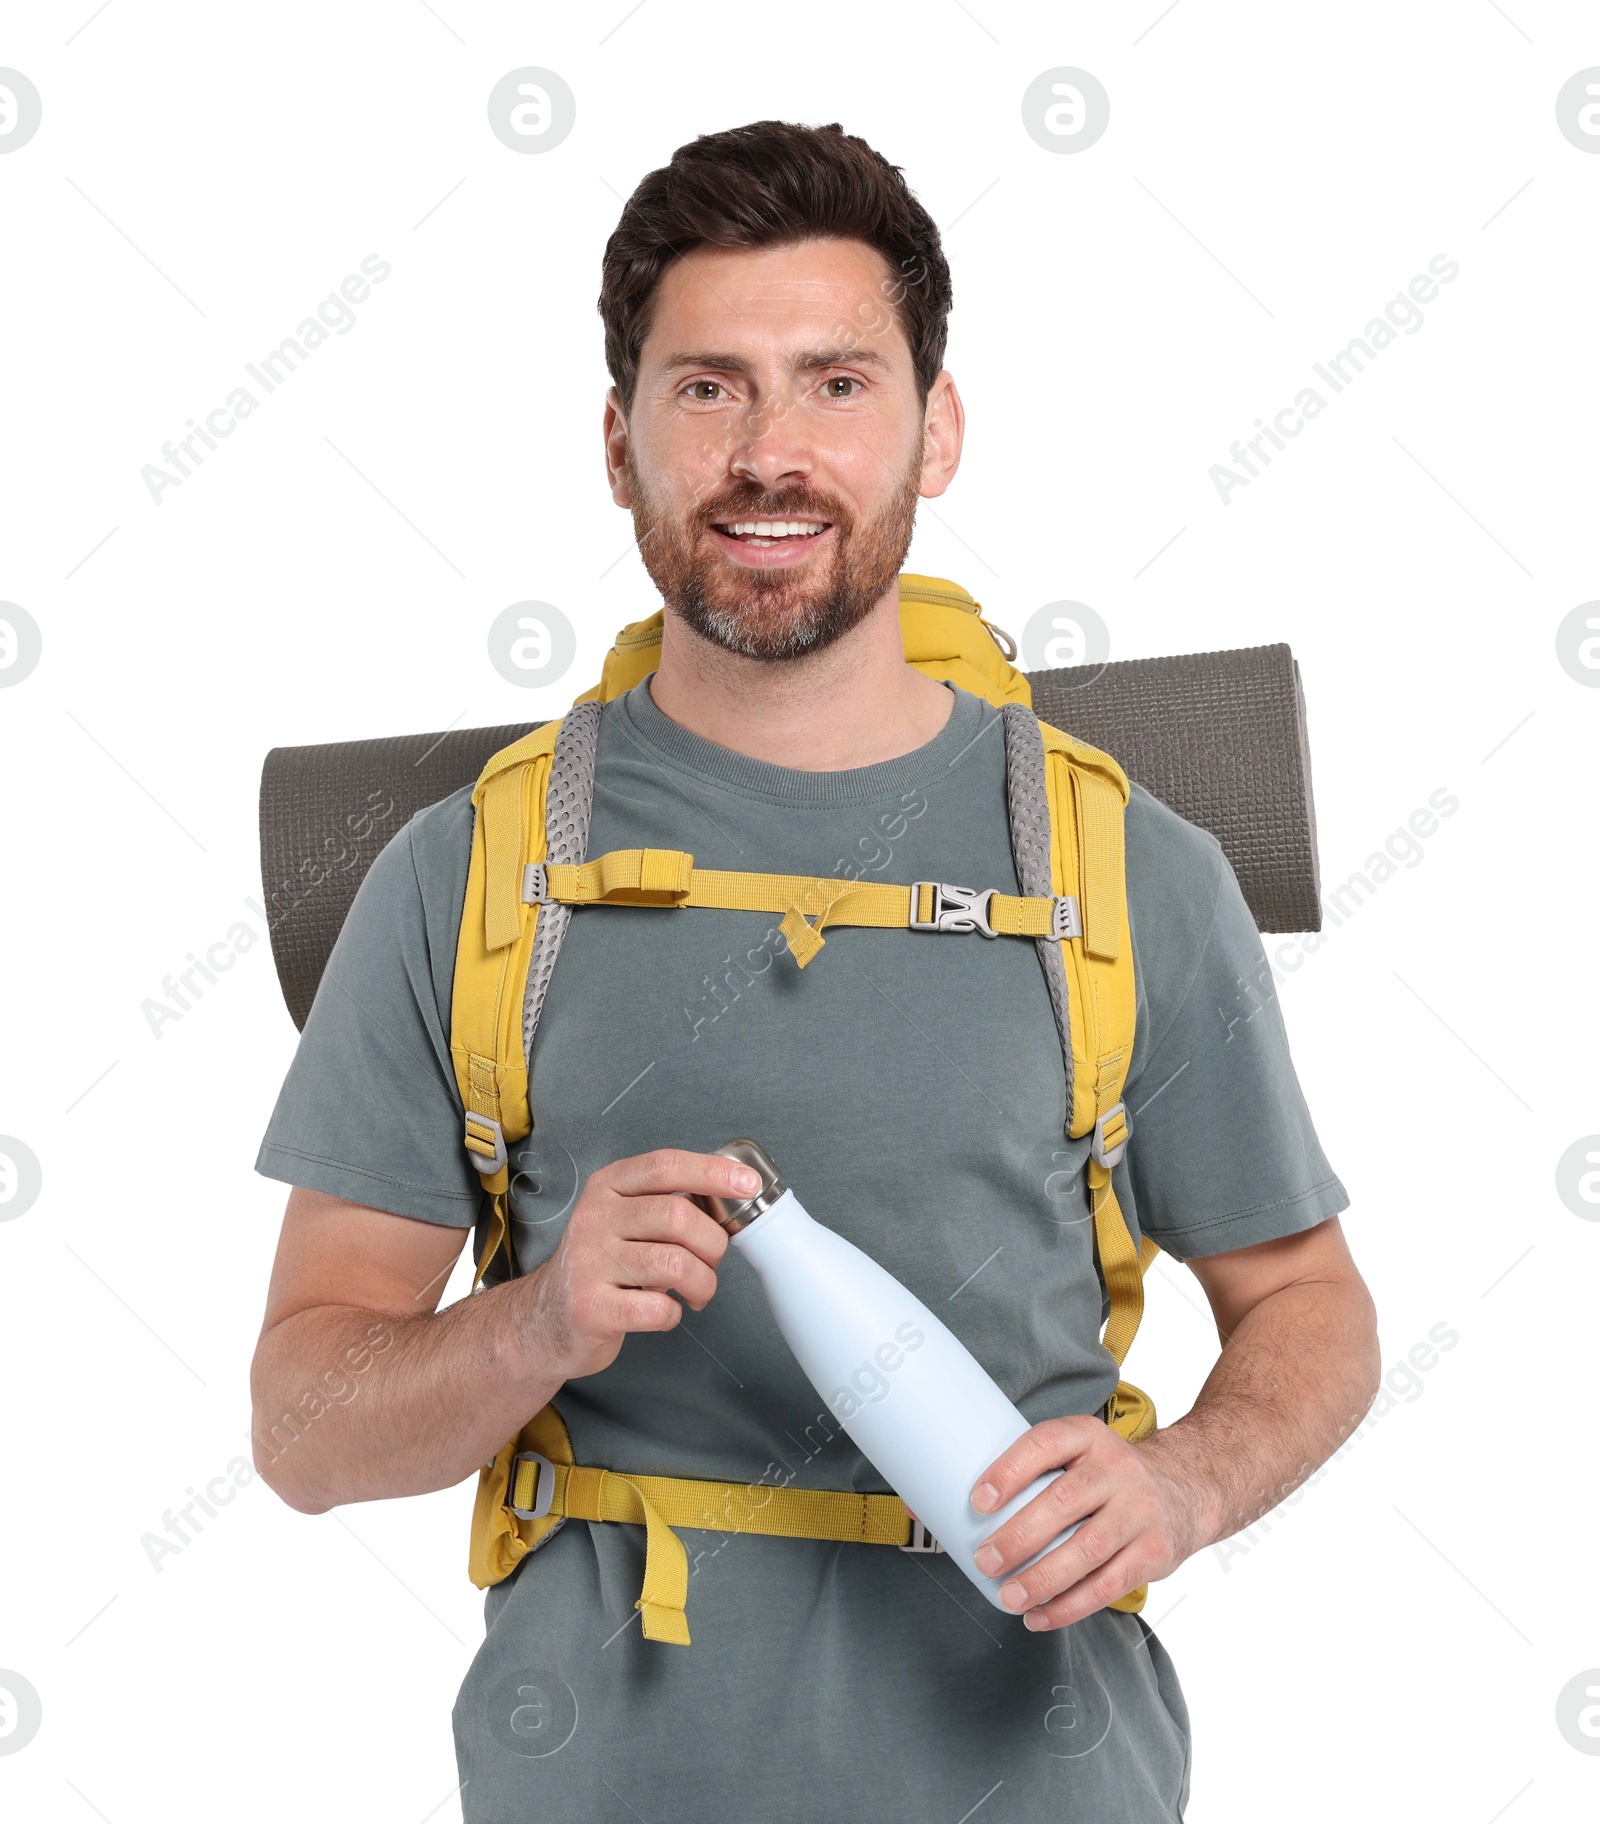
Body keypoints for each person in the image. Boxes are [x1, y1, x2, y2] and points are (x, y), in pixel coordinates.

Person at [251, 119, 1379, 1820]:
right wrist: (534, 1324)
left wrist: (1184, 1486)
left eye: (837, 383)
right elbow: (302, 1424)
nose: (771, 452)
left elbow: (1309, 1309)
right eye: (707, 389)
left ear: (936, 432)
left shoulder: (1126, 867)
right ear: (618, 441)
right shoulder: (469, 877)